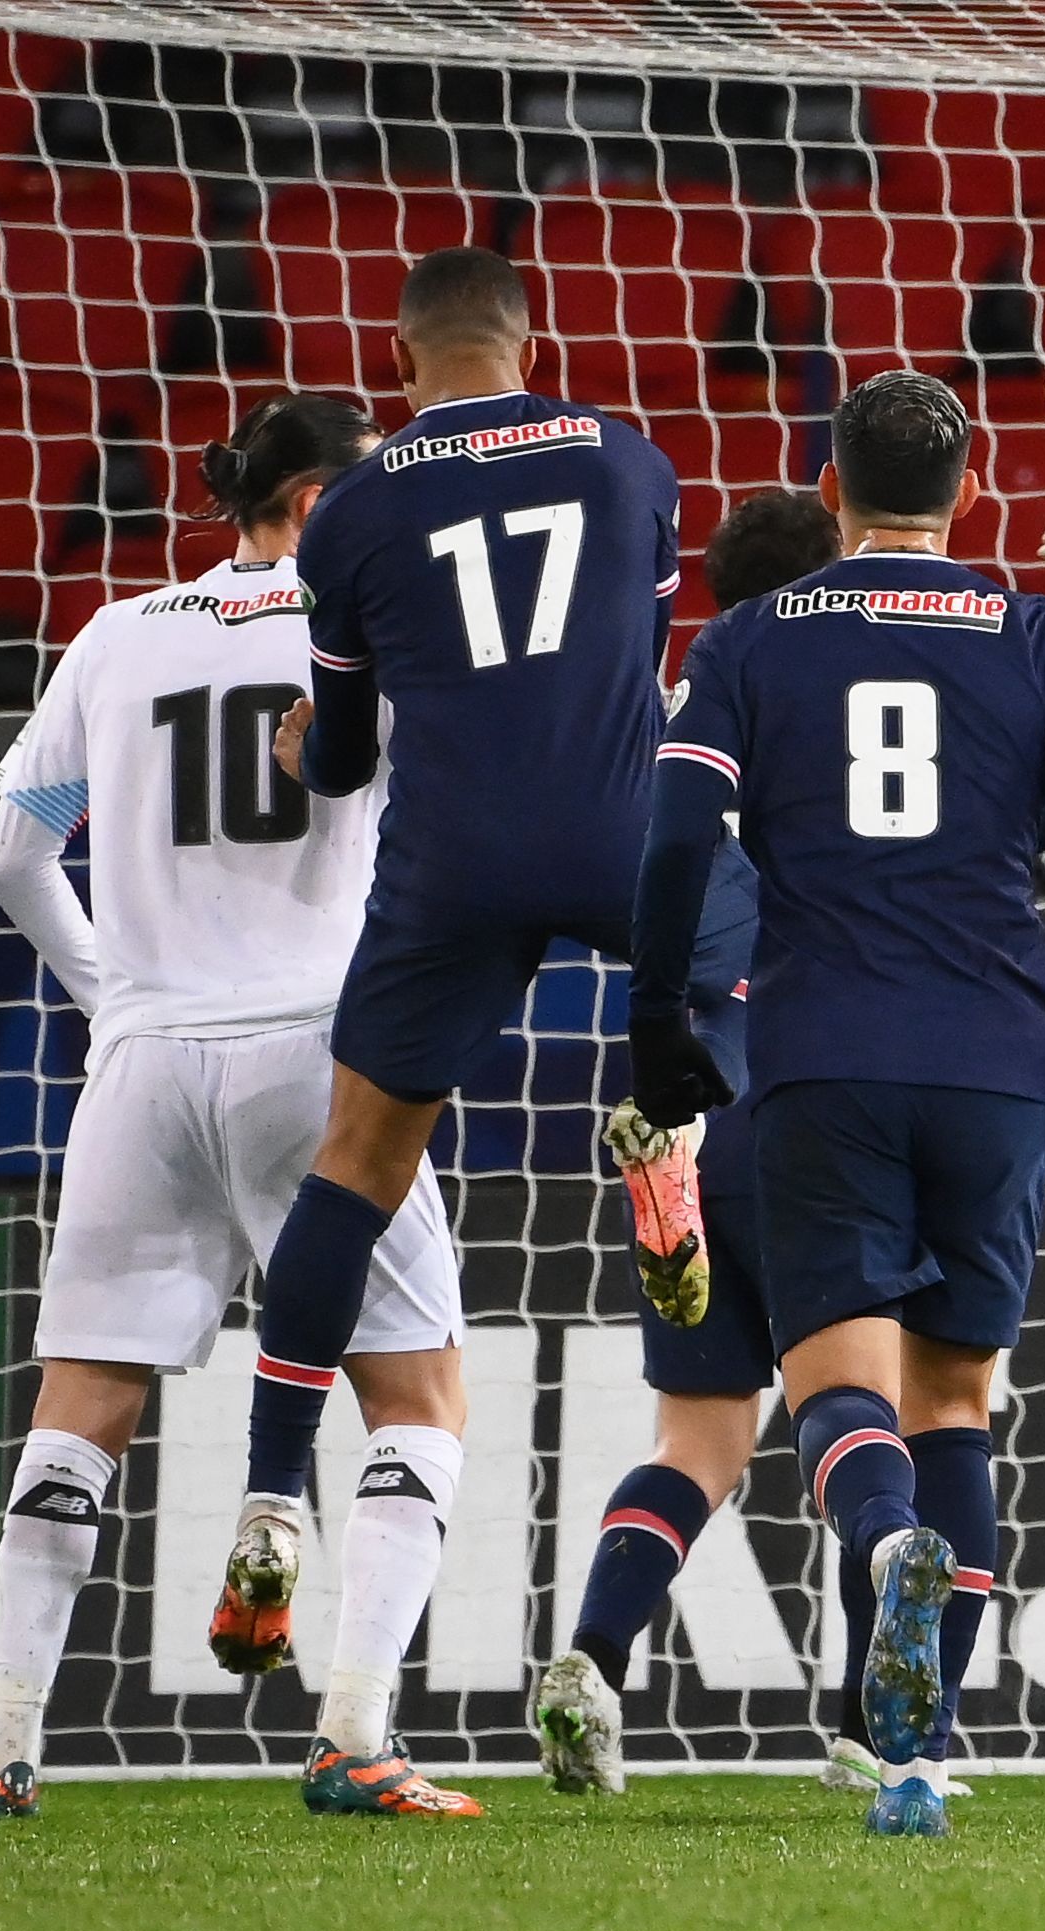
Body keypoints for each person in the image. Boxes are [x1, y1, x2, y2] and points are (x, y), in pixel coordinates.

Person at [629, 370, 1045, 1838]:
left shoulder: (751, 638)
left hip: (820, 1052)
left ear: (829, 491)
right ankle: (923, 1751)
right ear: (972, 490)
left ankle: (882, 1556)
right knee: (959, 1403)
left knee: (841, 1397)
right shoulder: (1032, 635)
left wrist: (652, 1019)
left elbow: (679, 826)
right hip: (1001, 1057)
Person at [210, 248, 757, 1693]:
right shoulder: (630, 464)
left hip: (452, 865)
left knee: (360, 1159)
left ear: (399, 362)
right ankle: (677, 1136)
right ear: (535, 339)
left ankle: (270, 1491)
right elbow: (630, 658)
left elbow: (337, 756)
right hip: (618, 837)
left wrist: (303, 747)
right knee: (752, 956)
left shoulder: (355, 511)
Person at [0, 395, 481, 1821]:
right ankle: (355, 1733)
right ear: (313, 506)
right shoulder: (375, 637)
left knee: (78, 1412)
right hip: (319, 1052)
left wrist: (119, 988)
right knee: (417, 1402)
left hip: (145, 1061)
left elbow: (12, 857)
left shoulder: (118, 634)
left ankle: (2, 1759)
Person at [531, 488, 843, 1799]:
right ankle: (883, 1730)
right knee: (878, 1422)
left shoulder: (661, 722)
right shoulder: (853, 709)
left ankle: (592, 1660)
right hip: (821, 1111)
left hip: (673, 1117)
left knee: (699, 1443)